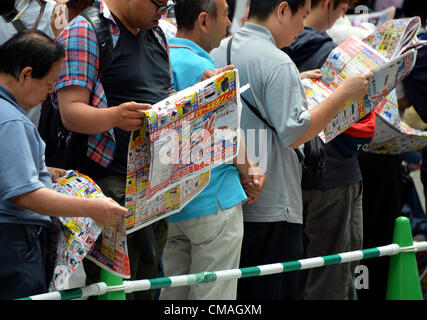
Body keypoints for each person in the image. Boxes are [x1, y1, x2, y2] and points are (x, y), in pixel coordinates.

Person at [211, 0, 372, 300]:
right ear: (283, 10)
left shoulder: (221, 50)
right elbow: (295, 133)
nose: (302, 25)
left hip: (230, 197)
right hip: (274, 202)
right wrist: (342, 95)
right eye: (301, 15)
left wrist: (295, 82)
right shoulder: (277, 61)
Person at [0, 29, 127, 300]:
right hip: (13, 242)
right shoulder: (12, 121)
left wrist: (40, 171)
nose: (48, 96)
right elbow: (25, 195)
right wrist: (92, 208)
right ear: (25, 74)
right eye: (48, 85)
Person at [159, 0, 265, 300]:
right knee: (214, 297)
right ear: (204, 21)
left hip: (171, 204)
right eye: (226, 16)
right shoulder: (204, 68)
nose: (229, 24)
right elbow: (224, 131)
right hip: (214, 198)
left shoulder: (160, 59)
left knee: (173, 295)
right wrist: (251, 170)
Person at [282, 0, 375, 300]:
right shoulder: (336, 55)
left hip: (289, 176)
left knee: (297, 272)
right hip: (336, 174)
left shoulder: (277, 53)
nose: (344, 13)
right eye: (343, 5)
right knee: (334, 272)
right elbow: (360, 120)